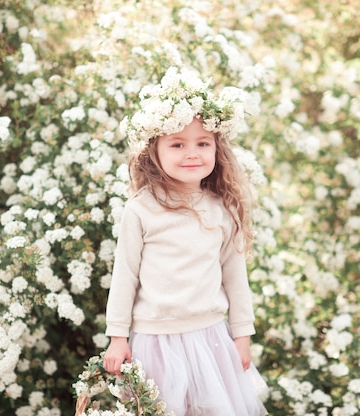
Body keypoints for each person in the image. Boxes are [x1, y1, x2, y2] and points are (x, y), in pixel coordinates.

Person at [103, 66, 268, 416]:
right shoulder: (141, 210)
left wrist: (242, 335)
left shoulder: (221, 210)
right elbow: (125, 275)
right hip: (156, 342)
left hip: (211, 338)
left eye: (202, 143)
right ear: (154, 152)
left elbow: (235, 277)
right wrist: (118, 336)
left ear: (215, 150)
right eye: (177, 144)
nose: (192, 153)